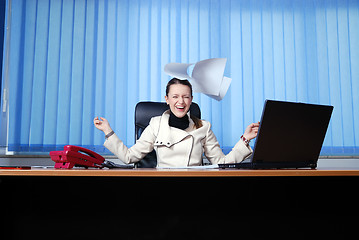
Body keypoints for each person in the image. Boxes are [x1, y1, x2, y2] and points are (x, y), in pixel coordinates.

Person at [94, 78, 259, 168]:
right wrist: (108, 131)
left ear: (191, 100)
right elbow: (129, 157)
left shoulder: (203, 127)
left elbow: (221, 163)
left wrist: (245, 138)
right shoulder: (155, 124)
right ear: (167, 99)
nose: (181, 101)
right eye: (175, 96)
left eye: (186, 97)